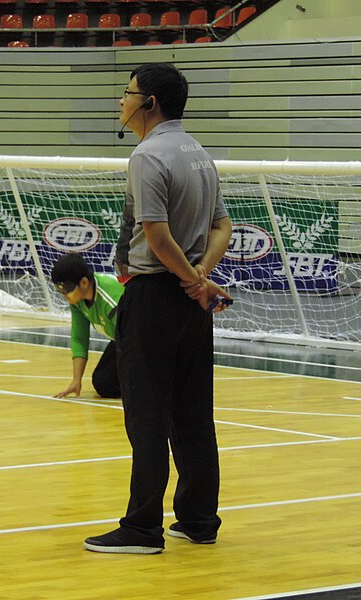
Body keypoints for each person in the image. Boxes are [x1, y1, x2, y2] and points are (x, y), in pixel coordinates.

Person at [83, 63, 233, 555]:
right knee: (193, 414)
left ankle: (142, 528)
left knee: (146, 416)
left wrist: (192, 280)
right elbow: (222, 228)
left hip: (153, 296)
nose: (121, 101)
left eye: (127, 93)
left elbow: (156, 233)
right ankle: (199, 520)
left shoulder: (148, 156)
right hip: (190, 303)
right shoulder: (200, 154)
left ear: (149, 103)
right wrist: (201, 281)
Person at [50, 253, 123, 399]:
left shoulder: (111, 301)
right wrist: (76, 380)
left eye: (67, 290)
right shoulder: (77, 301)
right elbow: (79, 338)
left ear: (84, 283)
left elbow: (136, 342)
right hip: (121, 339)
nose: (65, 296)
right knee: (104, 383)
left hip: (145, 338)